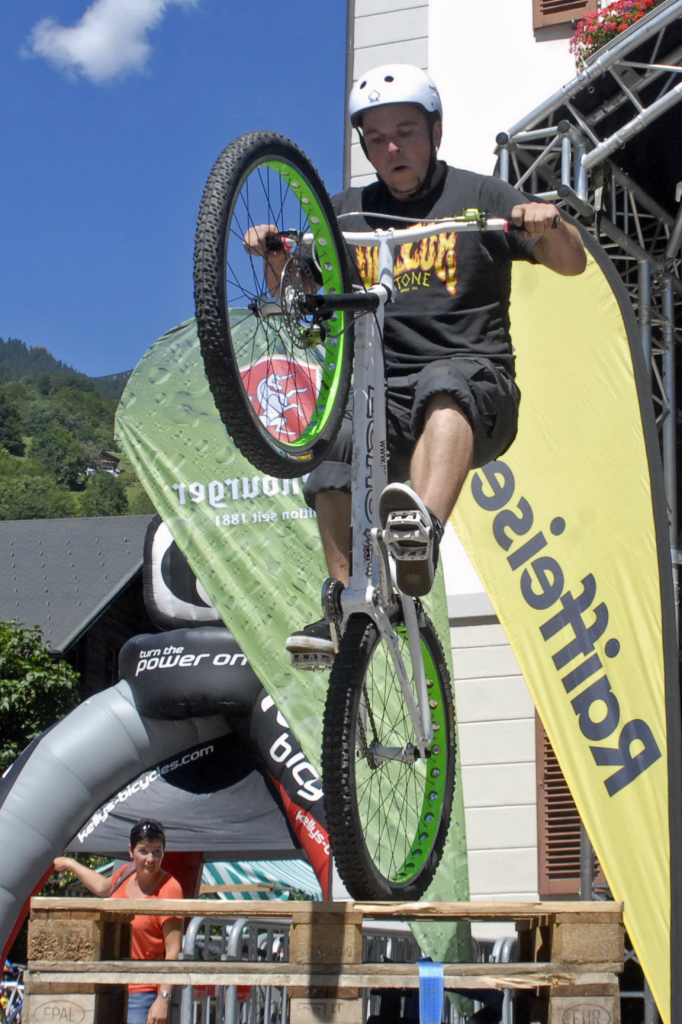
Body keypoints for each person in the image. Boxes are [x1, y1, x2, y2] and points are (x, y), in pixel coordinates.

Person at [245, 64, 586, 660]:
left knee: (444, 383)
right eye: (377, 139)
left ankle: (419, 535)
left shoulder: (480, 196)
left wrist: (547, 220)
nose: (392, 149)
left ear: (436, 132)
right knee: (334, 440)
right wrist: (275, 253)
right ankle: (348, 602)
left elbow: (571, 261)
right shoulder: (343, 214)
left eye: (405, 132)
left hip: (475, 387)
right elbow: (297, 292)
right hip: (381, 399)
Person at [54, 819, 183, 1024]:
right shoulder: (125, 873)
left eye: (157, 852)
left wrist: (163, 999)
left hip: (143, 993)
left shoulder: (170, 888)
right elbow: (101, 886)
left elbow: (173, 952)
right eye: (143, 851)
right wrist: (70, 863)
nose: (150, 859)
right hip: (108, 986)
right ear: (131, 851)